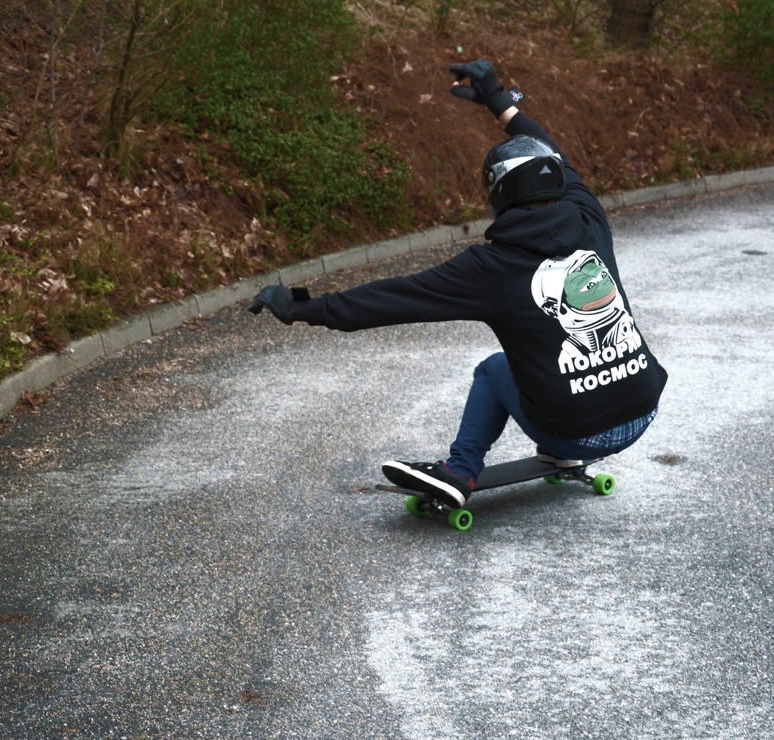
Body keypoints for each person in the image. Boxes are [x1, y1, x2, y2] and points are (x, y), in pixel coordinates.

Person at [249, 60, 667, 508]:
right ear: (556, 181)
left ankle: (460, 470)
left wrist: (299, 306)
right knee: (537, 364)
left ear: (498, 198)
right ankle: (559, 449)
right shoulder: (588, 217)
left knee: (493, 369)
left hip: (575, 434)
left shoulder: (489, 268)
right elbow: (551, 150)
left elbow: (390, 300)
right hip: (644, 412)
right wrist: (498, 100)